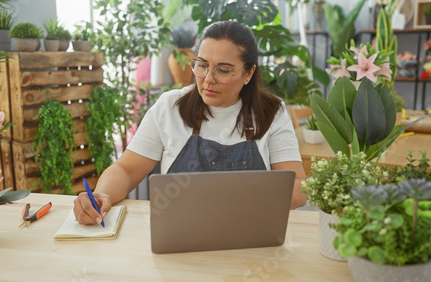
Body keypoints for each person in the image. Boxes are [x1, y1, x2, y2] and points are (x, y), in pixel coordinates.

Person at [74, 21, 307, 225]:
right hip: (178, 238)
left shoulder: (271, 111)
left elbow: (298, 189)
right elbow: (125, 170)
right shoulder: (169, 107)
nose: (208, 79)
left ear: (249, 73)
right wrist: (102, 195)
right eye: (202, 65)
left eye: (223, 70)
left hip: (251, 239)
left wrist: (236, 194)